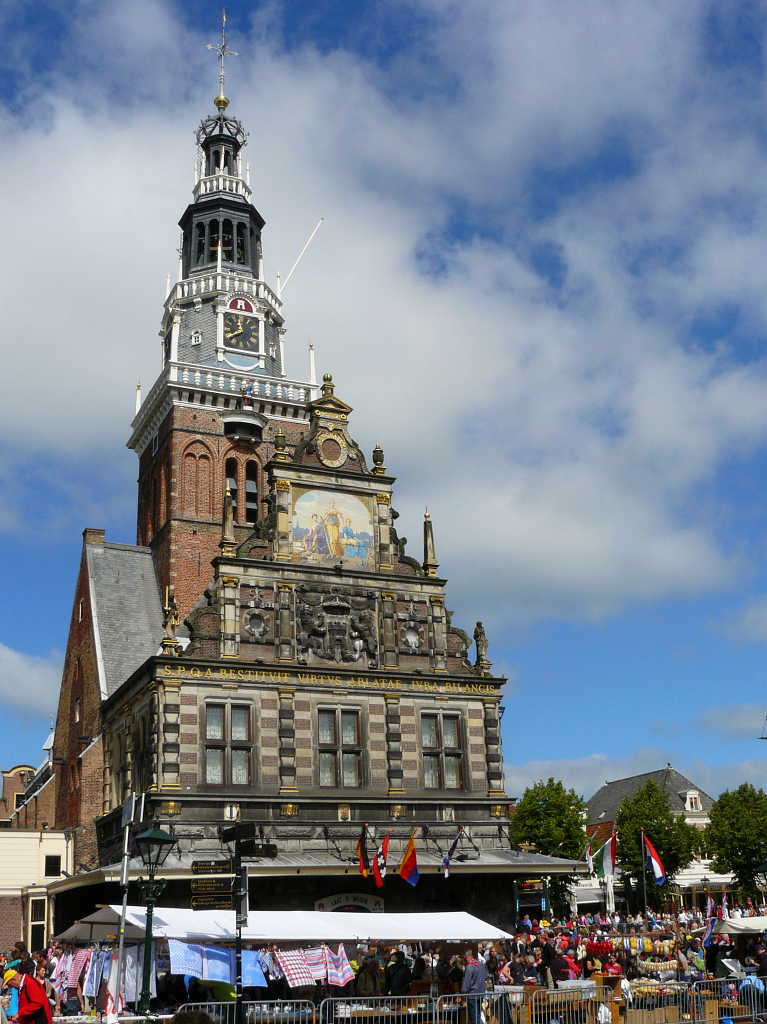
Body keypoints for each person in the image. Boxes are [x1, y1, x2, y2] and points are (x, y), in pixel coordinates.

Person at [461, 950, 487, 1024]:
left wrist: (462, 992)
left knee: (474, 1017)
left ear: (464, 956)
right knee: (478, 1015)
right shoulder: (481, 965)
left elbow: (466, 982)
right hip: (481, 993)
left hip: (472, 994)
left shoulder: (469, 966)